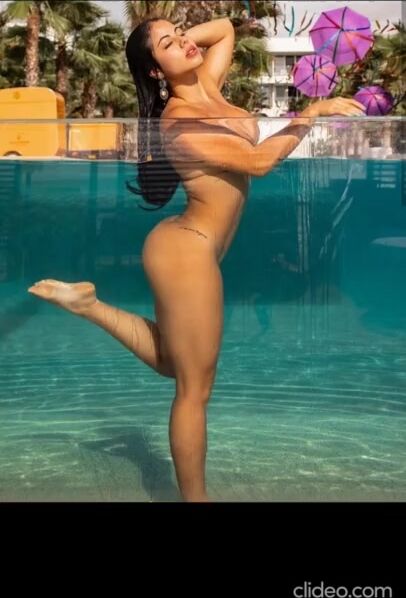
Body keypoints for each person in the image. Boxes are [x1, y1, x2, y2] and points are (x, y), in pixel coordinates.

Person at [27, 16, 366, 502]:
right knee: (193, 389)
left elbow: (225, 28)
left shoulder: (209, 83)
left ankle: (88, 305)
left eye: (181, 33)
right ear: (154, 71)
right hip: (185, 249)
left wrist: (174, 39)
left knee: (176, 363)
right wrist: (310, 113)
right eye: (168, 44)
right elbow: (258, 163)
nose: (185, 42)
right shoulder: (178, 122)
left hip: (194, 245)